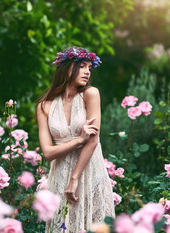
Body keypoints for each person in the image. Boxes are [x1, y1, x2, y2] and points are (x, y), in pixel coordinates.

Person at [36, 47, 115, 232]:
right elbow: (47, 152)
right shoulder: (44, 106)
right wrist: (79, 139)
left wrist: (75, 178)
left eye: (89, 67)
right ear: (67, 68)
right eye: (82, 66)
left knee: (96, 226)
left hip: (90, 172)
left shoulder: (90, 94)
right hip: (60, 175)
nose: (87, 71)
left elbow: (93, 141)